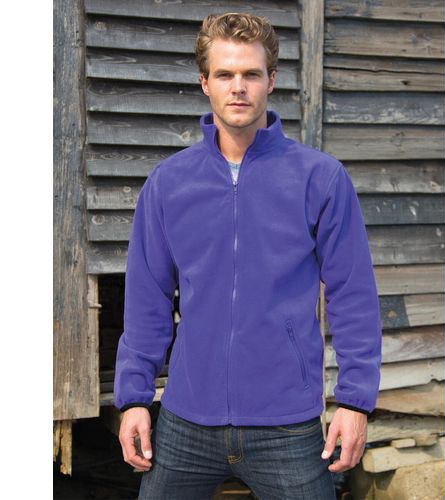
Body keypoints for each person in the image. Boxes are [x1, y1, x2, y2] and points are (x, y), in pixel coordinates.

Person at [113, 12, 382, 499]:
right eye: (225, 74)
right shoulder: (169, 183)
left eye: (251, 74)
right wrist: (133, 397)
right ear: (205, 83)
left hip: (288, 426)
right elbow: (147, 298)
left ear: (271, 80)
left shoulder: (320, 178)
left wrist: (355, 402)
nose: (238, 87)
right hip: (186, 421)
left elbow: (353, 295)